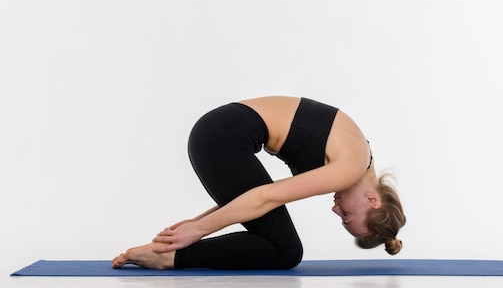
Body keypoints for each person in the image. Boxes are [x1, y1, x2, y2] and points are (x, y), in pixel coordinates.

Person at [112, 96, 406, 270]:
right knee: (287, 251)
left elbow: (254, 192)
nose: (336, 212)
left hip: (218, 131)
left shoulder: (357, 157)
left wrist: (195, 223)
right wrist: (196, 231)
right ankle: (171, 258)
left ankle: (166, 252)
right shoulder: (351, 167)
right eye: (347, 216)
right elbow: (266, 197)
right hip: (223, 136)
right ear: (373, 201)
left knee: (281, 242)